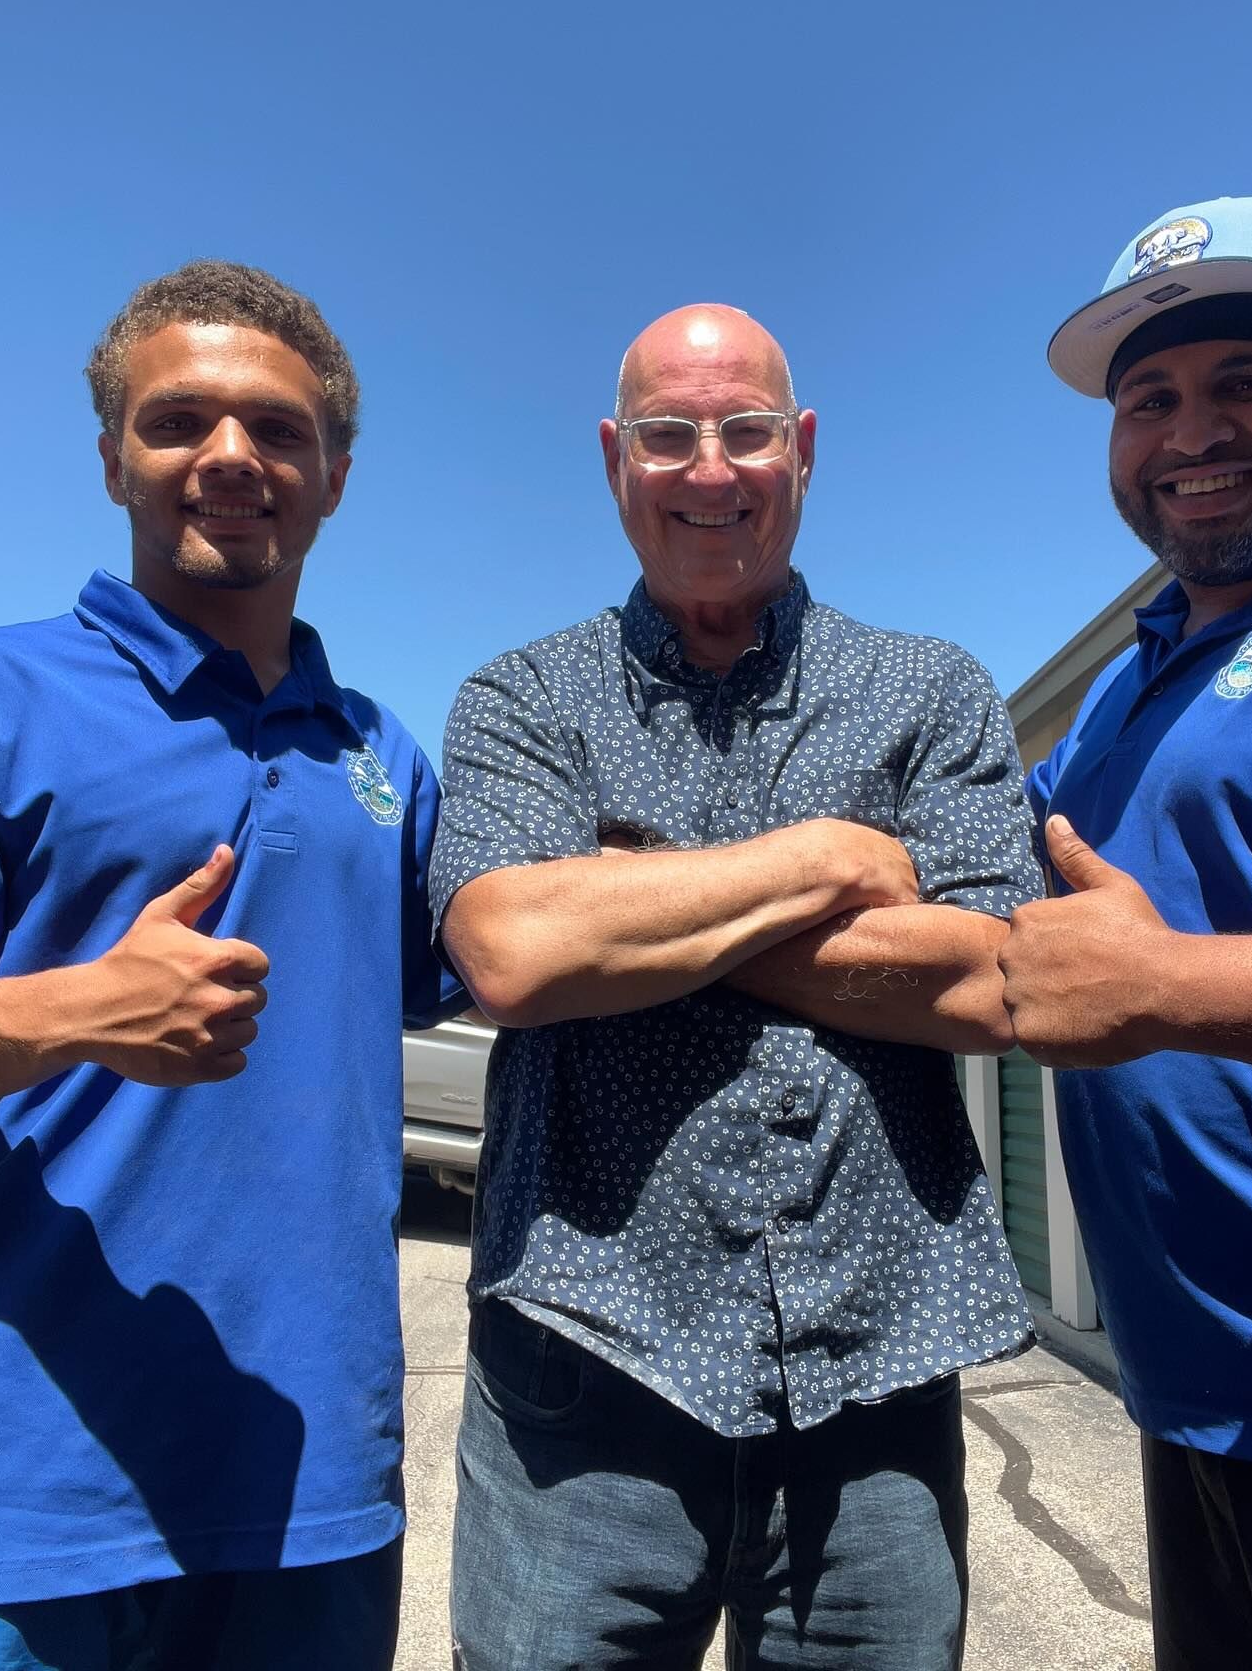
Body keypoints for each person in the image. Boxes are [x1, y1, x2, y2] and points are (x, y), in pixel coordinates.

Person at [433, 304, 1041, 1670]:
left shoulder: (931, 692)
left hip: (876, 1368)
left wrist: (631, 903)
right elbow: (514, 954)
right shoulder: (521, 699)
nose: (710, 470)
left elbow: (991, 980)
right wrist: (832, 860)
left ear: (802, 448)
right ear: (614, 459)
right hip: (584, 1365)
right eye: (668, 435)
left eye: (746, 430)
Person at [0, 262, 457, 1670]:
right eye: (180, 422)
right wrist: (67, 1010)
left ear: (335, 477)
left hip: (314, 1492)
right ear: (115, 454)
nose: (232, 457)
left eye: (278, 430)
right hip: (18, 1502)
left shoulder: (380, 755)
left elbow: (519, 963)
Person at [1000, 196, 1252, 1670]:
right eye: (1149, 399)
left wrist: (1172, 986)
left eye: (1247, 380)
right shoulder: (1128, 681)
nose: (1190, 433)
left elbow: (1134, 983)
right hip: (1197, 1409)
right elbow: (989, 918)